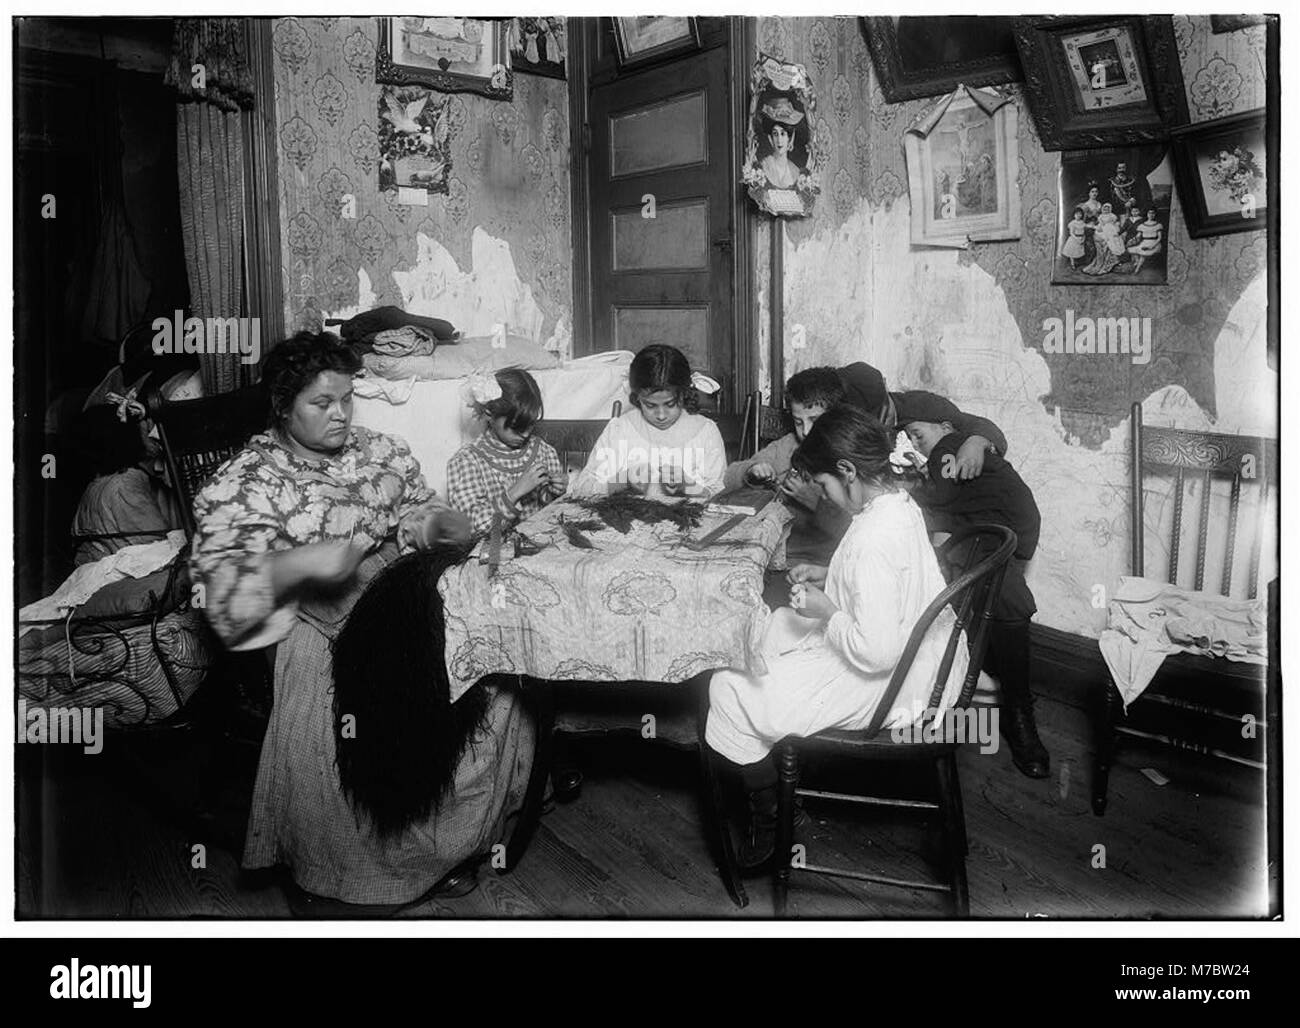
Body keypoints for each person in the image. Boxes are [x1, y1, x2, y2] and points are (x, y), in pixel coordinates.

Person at [190, 331, 532, 908]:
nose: (341, 414)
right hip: (311, 620)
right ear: (283, 407)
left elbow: (421, 506)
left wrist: (430, 524)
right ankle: (368, 870)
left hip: (400, 595)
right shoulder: (244, 483)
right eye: (322, 403)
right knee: (368, 702)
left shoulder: (378, 450)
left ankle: (459, 841)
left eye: (347, 398)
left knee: (489, 669)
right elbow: (220, 598)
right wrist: (299, 564)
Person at [706, 406, 969, 868]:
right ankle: (781, 732)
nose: (824, 495)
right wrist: (832, 574)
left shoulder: (872, 540)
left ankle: (775, 820)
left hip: (898, 682)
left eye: (824, 485)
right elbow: (892, 578)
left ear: (847, 470)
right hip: (933, 655)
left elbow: (877, 653)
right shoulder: (898, 504)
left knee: (727, 686)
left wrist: (828, 611)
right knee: (771, 627)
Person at [725, 364, 1010, 595]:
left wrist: (977, 441)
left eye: (815, 420)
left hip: (836, 560)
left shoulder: (870, 461)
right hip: (804, 560)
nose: (806, 431)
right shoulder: (790, 445)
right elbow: (732, 475)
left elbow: (863, 530)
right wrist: (752, 472)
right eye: (799, 422)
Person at [895, 392, 1049, 779]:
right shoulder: (936, 445)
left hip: (992, 530)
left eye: (917, 435)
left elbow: (943, 487)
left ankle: (1017, 711)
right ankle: (961, 694)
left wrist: (975, 440)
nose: (913, 443)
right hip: (978, 526)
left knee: (1001, 590)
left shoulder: (947, 447)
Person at [71, 327, 204, 566]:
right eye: (142, 426)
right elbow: (158, 551)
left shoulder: (106, 483)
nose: (149, 430)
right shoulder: (124, 485)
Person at [570, 343, 726, 501]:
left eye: (670, 404)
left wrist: (689, 486)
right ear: (637, 396)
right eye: (650, 405)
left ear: (684, 393)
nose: (661, 415)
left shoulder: (705, 432)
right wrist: (622, 481)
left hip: (690, 516)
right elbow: (581, 490)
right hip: (627, 515)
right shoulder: (620, 430)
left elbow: (720, 496)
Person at [446, 368, 566, 539]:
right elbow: (471, 527)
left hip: (539, 544)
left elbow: (550, 514)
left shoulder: (544, 452)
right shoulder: (467, 461)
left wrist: (555, 492)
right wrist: (514, 494)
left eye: (530, 424)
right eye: (517, 427)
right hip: (493, 549)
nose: (526, 434)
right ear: (489, 413)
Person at [757, 97, 805, 190]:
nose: (779, 140)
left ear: (789, 139)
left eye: (783, 134)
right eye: (775, 134)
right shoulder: (765, 166)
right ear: (770, 138)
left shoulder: (795, 171)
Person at [1127, 208, 1164, 274]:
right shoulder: (1142, 225)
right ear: (1147, 214)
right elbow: (1138, 236)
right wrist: (1132, 240)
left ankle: (1137, 270)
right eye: (1149, 213)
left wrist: (1152, 246)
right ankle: (1137, 262)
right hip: (1144, 242)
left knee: (1143, 255)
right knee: (1131, 249)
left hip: (1154, 243)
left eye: (1153, 213)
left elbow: (1159, 238)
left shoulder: (1158, 225)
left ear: (1155, 214)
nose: (1151, 215)